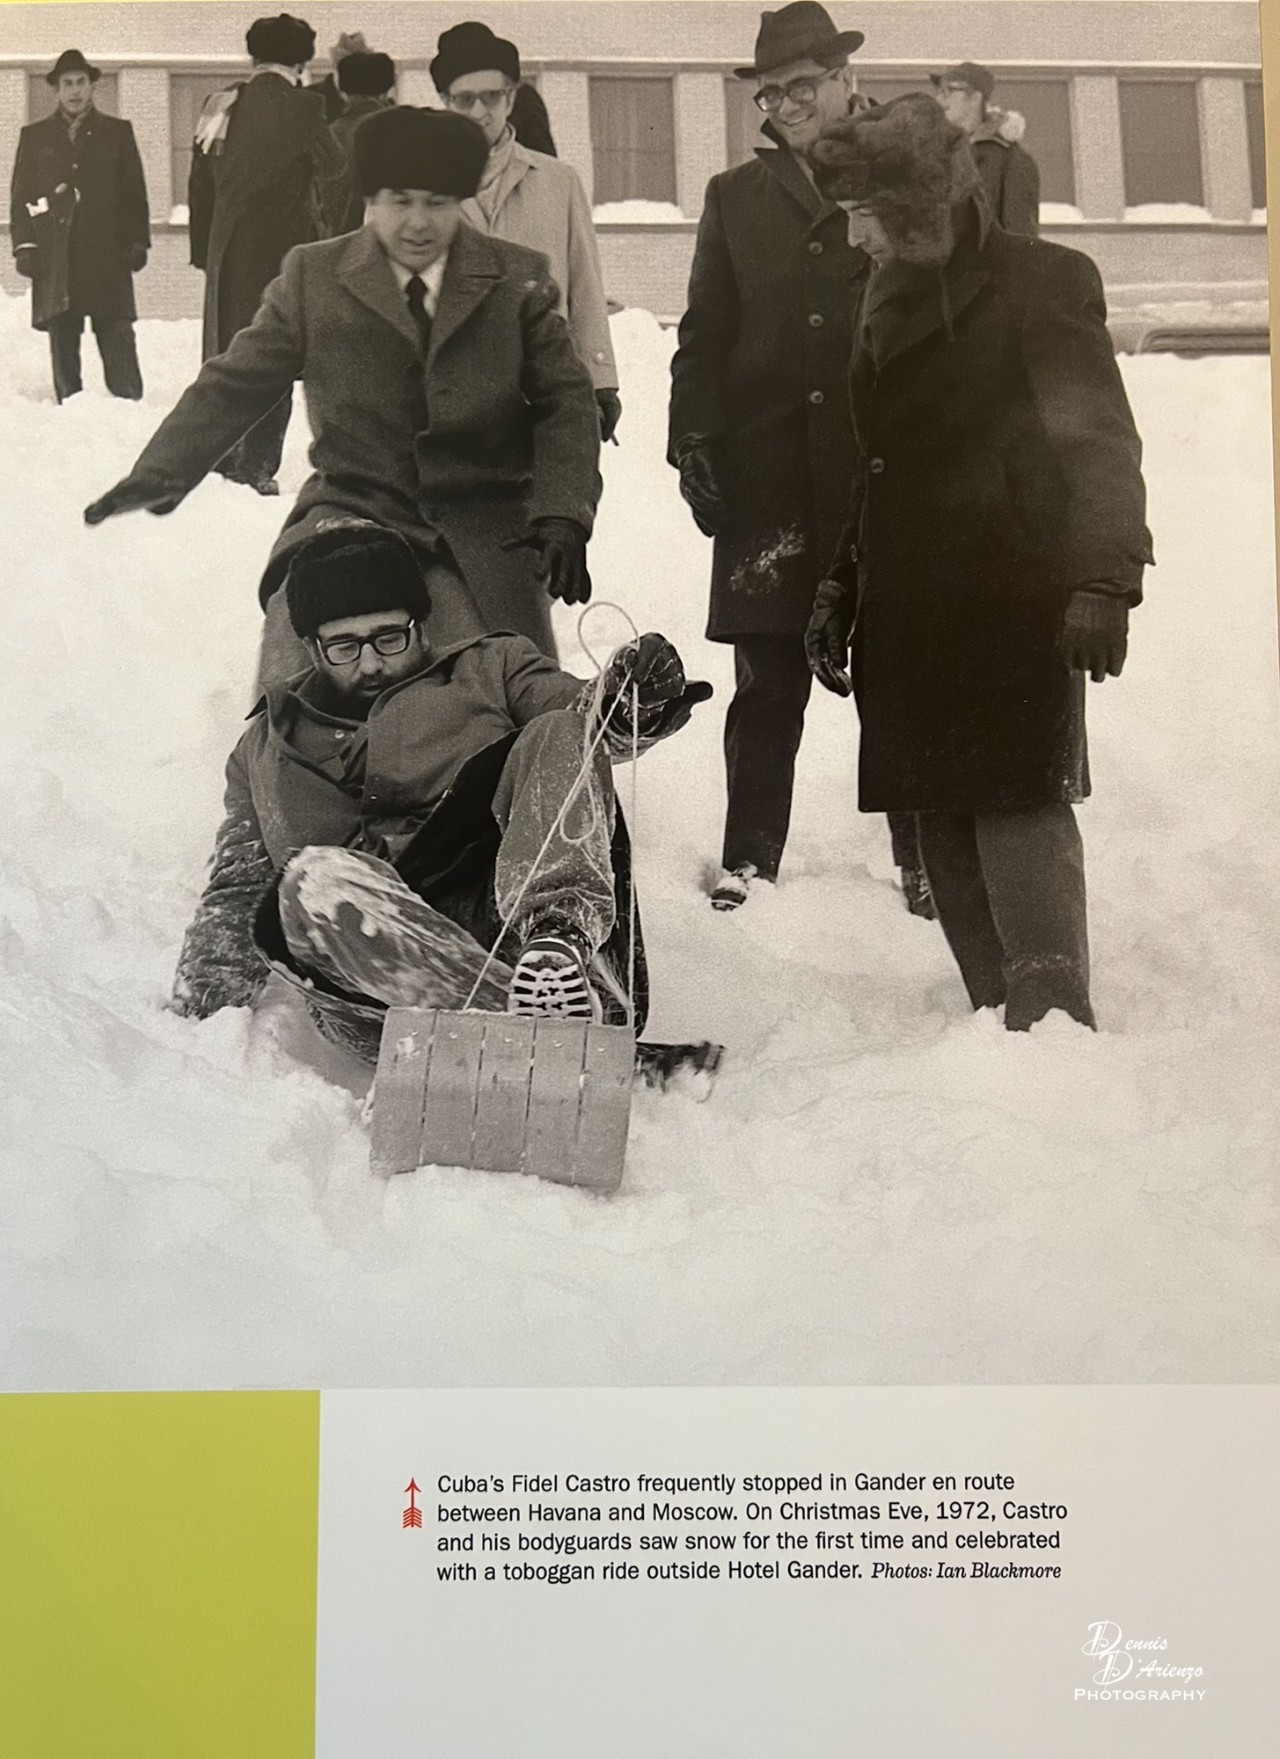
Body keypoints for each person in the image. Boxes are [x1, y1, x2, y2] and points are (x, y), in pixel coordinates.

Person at [805, 95, 1153, 1030]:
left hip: (1013, 593)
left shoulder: (1044, 282)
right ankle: (994, 1027)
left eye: (866, 214)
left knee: (1017, 798)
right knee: (937, 804)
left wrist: (1105, 580)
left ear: (920, 209)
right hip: (910, 597)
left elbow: (1098, 443)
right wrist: (841, 582)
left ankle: (1054, 1027)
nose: (854, 236)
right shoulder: (882, 296)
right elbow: (880, 462)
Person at [85, 106, 602, 679]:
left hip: (480, 520)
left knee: (502, 679)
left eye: (437, 202)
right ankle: (288, 736)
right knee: (302, 658)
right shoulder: (315, 277)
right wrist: (163, 470)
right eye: (399, 201)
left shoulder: (516, 279)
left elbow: (566, 402)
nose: (418, 223)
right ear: (369, 198)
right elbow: (236, 381)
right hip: (355, 507)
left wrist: (563, 514)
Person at [170, 522, 711, 1059]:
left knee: (560, 731)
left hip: (505, 921)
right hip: (378, 985)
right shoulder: (263, 749)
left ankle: (556, 951)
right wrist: (192, 1023)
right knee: (314, 882)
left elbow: (590, 721)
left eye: (389, 638)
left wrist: (631, 702)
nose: (371, 663)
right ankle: (545, 1035)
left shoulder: (493, 667)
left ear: (420, 624)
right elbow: (237, 888)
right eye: (344, 647)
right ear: (312, 647)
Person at [668, 3, 903, 913]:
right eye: (770, 94)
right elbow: (704, 336)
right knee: (767, 681)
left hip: (881, 469)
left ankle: (927, 865)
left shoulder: (904, 172)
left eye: (803, 86)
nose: (787, 105)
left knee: (897, 669)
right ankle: (749, 862)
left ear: (846, 78)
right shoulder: (735, 195)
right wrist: (694, 438)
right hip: (767, 478)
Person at [431, 21, 620, 442]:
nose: (479, 112)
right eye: (464, 99)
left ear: (511, 97)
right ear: (444, 101)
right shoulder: (414, 187)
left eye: (491, 96)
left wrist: (601, 378)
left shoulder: (558, 181)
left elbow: (585, 286)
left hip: (545, 395)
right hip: (448, 405)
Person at [188, 12, 344, 494]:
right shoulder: (305, 108)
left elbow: (199, 182)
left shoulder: (219, 103)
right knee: (273, 353)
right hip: (281, 256)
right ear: (300, 62)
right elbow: (335, 169)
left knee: (227, 352)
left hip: (227, 249)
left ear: (254, 56)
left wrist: (205, 251)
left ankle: (219, 456)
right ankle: (255, 466)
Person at [9, 49, 149, 403]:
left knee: (117, 336)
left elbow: (134, 193)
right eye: (67, 83)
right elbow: (22, 196)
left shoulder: (116, 133)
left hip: (107, 256)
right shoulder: (35, 137)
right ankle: (68, 412)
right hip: (56, 258)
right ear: (56, 90)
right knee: (63, 343)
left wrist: (137, 241)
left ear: (92, 86)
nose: (75, 91)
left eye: (81, 82)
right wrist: (25, 245)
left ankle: (130, 410)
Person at [931, 61, 1040, 237]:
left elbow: (1020, 237)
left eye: (949, 91)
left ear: (975, 98)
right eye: (939, 92)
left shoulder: (1011, 160)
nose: (940, 100)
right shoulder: (936, 153)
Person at [319, 49, 397, 236]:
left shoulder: (330, 133)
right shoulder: (399, 129)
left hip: (335, 240)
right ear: (388, 89)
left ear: (343, 91)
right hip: (386, 237)